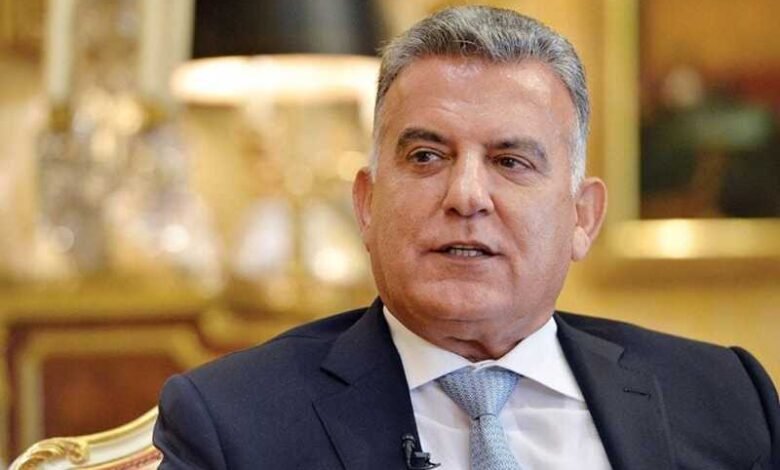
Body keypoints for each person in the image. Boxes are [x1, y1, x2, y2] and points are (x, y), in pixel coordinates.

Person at [153, 6, 779, 469]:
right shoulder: (233, 423)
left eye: (511, 161)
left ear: (582, 218)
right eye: (427, 157)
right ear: (366, 204)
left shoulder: (725, 397)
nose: (466, 195)